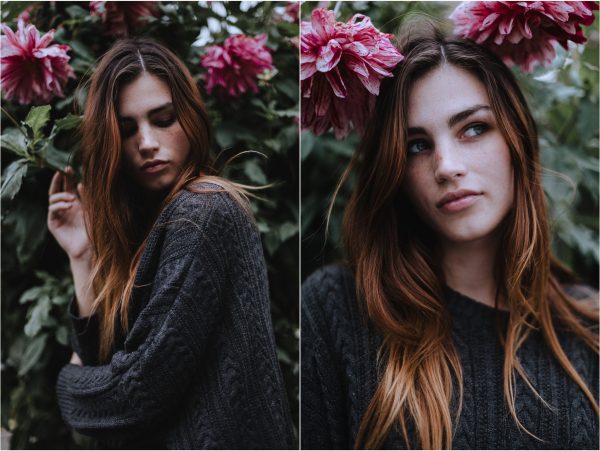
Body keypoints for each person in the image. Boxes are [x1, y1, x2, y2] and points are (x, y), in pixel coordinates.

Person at [301, 27, 599, 450]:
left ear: (518, 139)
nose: (447, 166)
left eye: (474, 128)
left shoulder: (590, 328)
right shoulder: (338, 310)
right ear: (395, 172)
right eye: (417, 146)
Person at [49, 38, 295, 449]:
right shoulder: (160, 223)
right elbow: (105, 357)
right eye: (127, 129)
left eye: (162, 119)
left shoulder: (203, 214)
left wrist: (67, 383)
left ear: (191, 118)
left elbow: (133, 394)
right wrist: (83, 255)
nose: (146, 142)